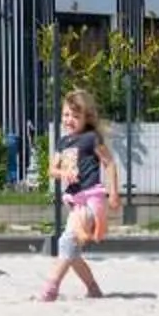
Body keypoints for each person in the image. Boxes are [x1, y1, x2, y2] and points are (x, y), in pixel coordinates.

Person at [38, 87, 118, 302]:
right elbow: (51, 170)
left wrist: (113, 193)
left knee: (66, 243)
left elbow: (109, 163)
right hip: (74, 203)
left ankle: (50, 289)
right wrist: (64, 172)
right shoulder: (63, 142)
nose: (69, 119)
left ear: (86, 117)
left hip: (92, 199)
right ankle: (93, 288)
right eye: (66, 114)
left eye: (75, 115)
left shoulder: (91, 138)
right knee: (71, 250)